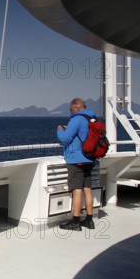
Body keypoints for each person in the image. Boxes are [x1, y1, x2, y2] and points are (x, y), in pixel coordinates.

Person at [56, 98, 96, 231]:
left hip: (76, 159)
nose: (70, 112)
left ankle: (76, 222)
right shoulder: (93, 119)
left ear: (75, 108)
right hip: (90, 158)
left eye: (70, 110)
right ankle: (89, 221)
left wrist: (60, 130)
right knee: (87, 189)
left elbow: (66, 139)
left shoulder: (76, 119)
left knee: (77, 190)